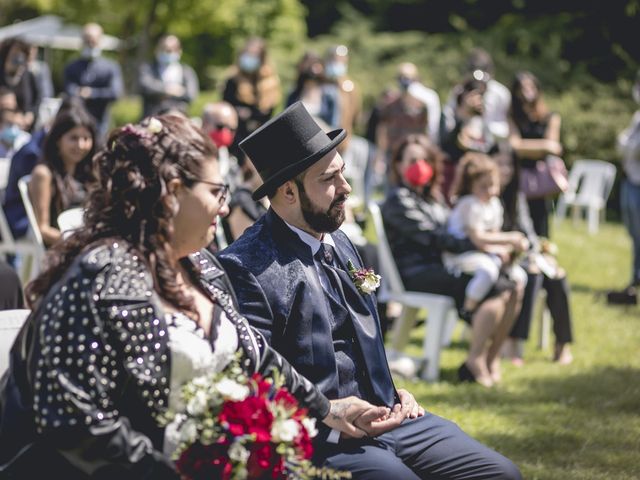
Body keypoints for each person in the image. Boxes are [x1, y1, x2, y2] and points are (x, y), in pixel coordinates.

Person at [0, 113, 394, 477]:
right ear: (173, 192)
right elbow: (73, 421)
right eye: (217, 192)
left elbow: (253, 352)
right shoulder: (100, 281)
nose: (225, 209)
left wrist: (327, 409)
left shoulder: (201, 267)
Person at [218, 103, 522, 479]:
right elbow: (254, 377)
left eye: (342, 173)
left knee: (500, 473)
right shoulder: (245, 266)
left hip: (393, 415)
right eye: (329, 179)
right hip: (322, 434)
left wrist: (394, 392)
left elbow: (363, 336)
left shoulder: (341, 242)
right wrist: (328, 413)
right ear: (288, 192)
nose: (345, 188)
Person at [382, 134, 524, 388]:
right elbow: (437, 238)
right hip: (417, 272)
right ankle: (475, 360)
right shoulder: (399, 200)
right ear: (399, 165)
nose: (420, 165)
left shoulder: (431, 197)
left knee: (513, 285)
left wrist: (486, 245)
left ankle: (488, 358)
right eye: (413, 160)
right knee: (500, 287)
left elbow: (454, 232)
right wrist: (482, 244)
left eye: (425, 159)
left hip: (442, 266)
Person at [495, 148, 574, 364]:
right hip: (497, 258)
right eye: (499, 163)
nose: (505, 169)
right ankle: (514, 343)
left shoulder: (516, 195)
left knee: (557, 275)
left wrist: (537, 252)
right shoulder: (484, 193)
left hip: (521, 254)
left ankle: (562, 344)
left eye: (509, 164)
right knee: (533, 274)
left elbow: (528, 232)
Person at [445, 152, 529, 320]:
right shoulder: (469, 204)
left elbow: (493, 234)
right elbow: (478, 238)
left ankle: (506, 316)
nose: (490, 191)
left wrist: (504, 249)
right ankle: (468, 310)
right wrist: (511, 238)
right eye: (483, 186)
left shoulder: (494, 204)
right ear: (471, 186)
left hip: (481, 251)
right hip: (460, 254)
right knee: (488, 271)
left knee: (520, 275)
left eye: (493, 185)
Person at [29, 107, 97, 247]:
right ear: (58, 140)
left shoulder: (88, 174)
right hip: (60, 250)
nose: (81, 145)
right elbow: (43, 229)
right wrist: (79, 243)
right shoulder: (44, 174)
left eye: (86, 138)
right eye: (73, 138)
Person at [509, 70, 563, 238]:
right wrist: (543, 147)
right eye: (522, 88)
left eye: (530, 87)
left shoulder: (550, 116)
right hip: (518, 177)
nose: (526, 92)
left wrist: (526, 148)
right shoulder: (512, 116)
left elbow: (554, 147)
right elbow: (515, 146)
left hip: (540, 180)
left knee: (541, 223)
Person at [607, 71, 640, 305]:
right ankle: (635, 280)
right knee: (635, 236)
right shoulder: (638, 117)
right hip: (631, 180)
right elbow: (624, 146)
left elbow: (631, 147)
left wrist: (629, 146)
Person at [63, 23, 123, 137]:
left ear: (100, 41)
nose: (90, 44)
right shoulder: (72, 66)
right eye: (87, 40)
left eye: (93, 41)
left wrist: (91, 94)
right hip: (76, 120)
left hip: (101, 122)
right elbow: (69, 89)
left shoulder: (110, 67)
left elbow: (115, 93)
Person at [222, 37, 281, 153]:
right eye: (247, 54)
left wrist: (249, 113)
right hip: (236, 138)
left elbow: (268, 112)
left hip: (260, 137)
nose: (250, 58)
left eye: (254, 55)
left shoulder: (270, 82)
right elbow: (226, 105)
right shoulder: (233, 80)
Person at [138, 34, 199, 118]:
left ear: (179, 51)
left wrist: (160, 94)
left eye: (170, 50)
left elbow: (190, 95)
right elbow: (145, 87)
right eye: (163, 49)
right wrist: (169, 89)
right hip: (152, 118)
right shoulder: (147, 68)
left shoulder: (186, 71)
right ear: (157, 50)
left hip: (178, 118)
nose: (166, 52)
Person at [287, 51, 340, 129]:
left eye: (315, 65)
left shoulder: (330, 93)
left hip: (323, 137)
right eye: (309, 65)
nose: (312, 69)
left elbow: (334, 123)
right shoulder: (294, 93)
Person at [0, 37, 39, 131]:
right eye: (14, 53)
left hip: (23, 129)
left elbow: (36, 100)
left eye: (21, 53)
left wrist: (30, 114)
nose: (18, 57)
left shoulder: (28, 76)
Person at [200, 101, 240, 189]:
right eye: (220, 126)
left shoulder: (230, 163)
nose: (226, 132)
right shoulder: (186, 149)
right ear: (204, 123)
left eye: (232, 129)